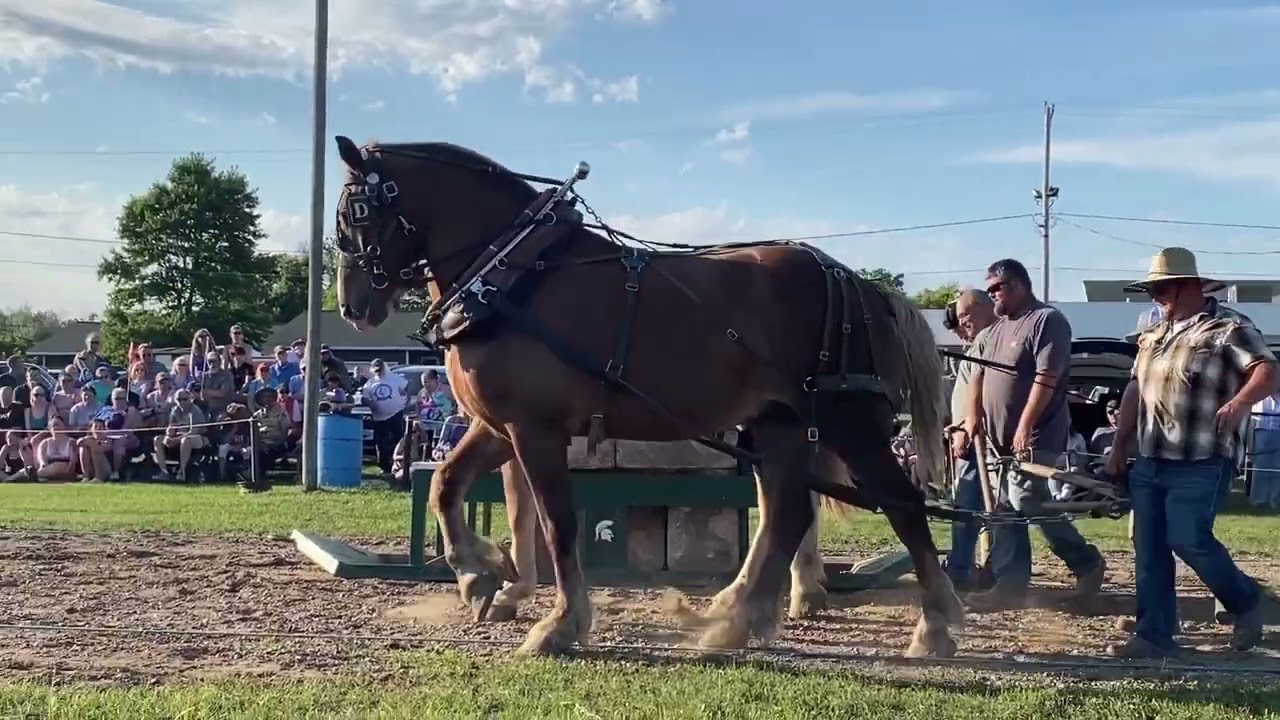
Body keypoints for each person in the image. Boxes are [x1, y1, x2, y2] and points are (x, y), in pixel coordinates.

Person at [1104, 247, 1278, 658]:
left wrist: (1239, 403)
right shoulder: (1153, 334)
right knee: (1149, 549)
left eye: (1162, 289)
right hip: (1151, 456)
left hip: (1203, 456)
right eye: (1152, 291)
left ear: (1189, 286)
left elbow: (1267, 369)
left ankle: (1247, 601)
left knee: (1187, 537)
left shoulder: (1229, 327)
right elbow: (1134, 390)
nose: (1156, 298)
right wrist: (1119, 444)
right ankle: (1154, 635)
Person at [964, 258, 1105, 611]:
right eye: (989, 289)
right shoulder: (992, 332)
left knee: (1027, 499)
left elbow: (1047, 377)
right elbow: (977, 377)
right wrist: (972, 419)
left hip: (1039, 433)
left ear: (1017, 285)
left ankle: (1086, 562)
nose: (992, 295)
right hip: (994, 439)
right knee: (1001, 508)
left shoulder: (1046, 321)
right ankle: (1010, 585)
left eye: (996, 288)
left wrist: (1026, 425)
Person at [942, 289, 998, 590]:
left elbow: (983, 394)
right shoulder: (978, 345)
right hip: (970, 438)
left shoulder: (990, 341)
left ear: (980, 308)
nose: (963, 324)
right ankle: (968, 565)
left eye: (965, 315)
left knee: (972, 506)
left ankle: (965, 568)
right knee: (969, 506)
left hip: (979, 440)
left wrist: (965, 429)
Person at [361, 359, 408, 476]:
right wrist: (370, 403)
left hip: (396, 414)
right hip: (379, 417)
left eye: (380, 370)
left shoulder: (395, 378)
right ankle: (384, 467)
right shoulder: (370, 383)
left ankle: (398, 465)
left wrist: (404, 399)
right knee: (381, 443)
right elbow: (364, 397)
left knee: (397, 440)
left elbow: (406, 388)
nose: (379, 372)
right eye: (376, 370)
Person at [1249, 393, 1280, 509]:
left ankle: (1274, 499)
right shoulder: (1262, 393)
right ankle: (1258, 499)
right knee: (1260, 466)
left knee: (1277, 467)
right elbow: (1253, 418)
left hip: (1278, 429)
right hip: (1262, 428)